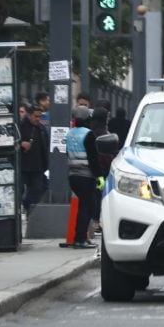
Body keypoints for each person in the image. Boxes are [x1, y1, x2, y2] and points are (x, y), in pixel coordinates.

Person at [65, 105, 104, 249]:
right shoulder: (88, 134)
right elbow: (93, 158)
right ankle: (80, 239)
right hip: (86, 176)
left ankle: (80, 237)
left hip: (73, 176)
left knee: (83, 205)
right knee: (87, 207)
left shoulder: (70, 134)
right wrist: (99, 176)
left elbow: (67, 153)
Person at [17, 105, 48, 216]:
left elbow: (45, 146)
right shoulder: (20, 126)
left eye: (40, 116)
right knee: (20, 189)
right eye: (36, 116)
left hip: (37, 166)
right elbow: (12, 141)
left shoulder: (41, 129)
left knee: (37, 189)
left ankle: (30, 210)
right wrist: (20, 144)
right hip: (23, 165)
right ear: (29, 115)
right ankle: (22, 208)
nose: (38, 119)